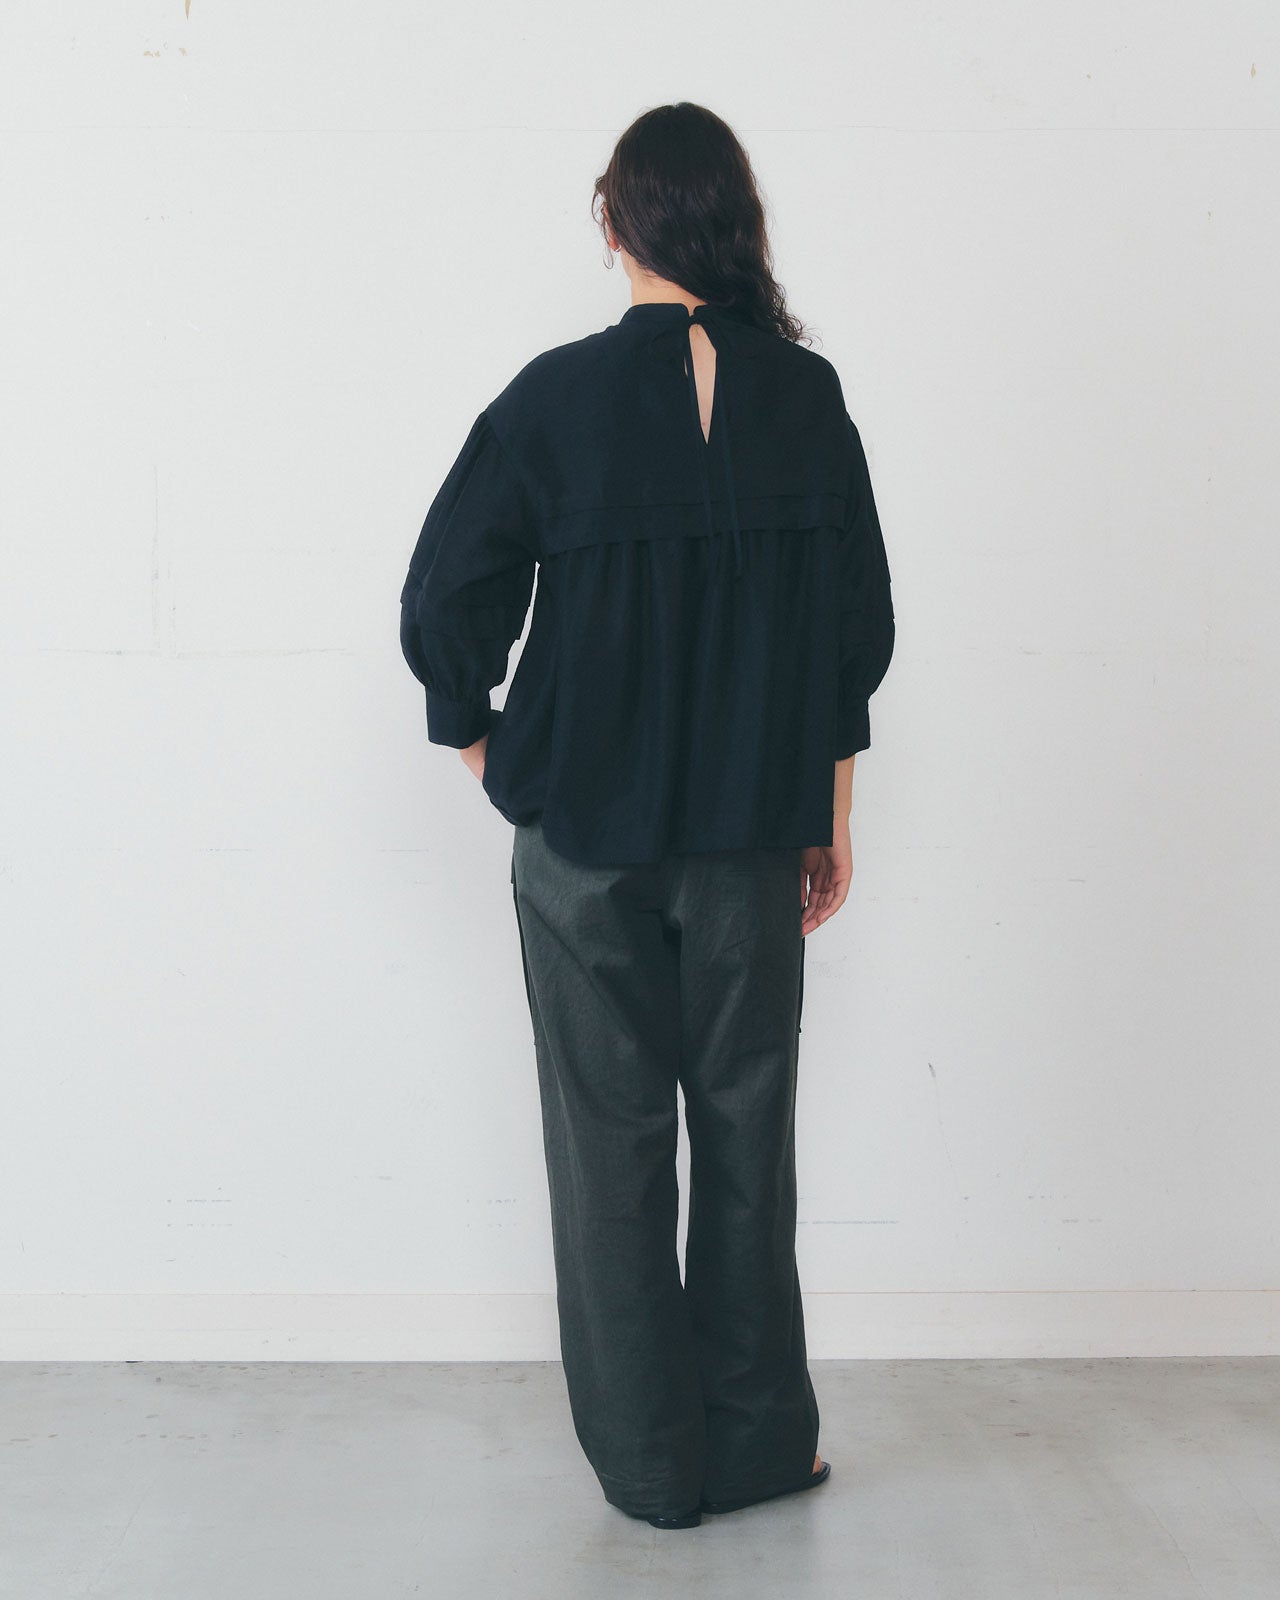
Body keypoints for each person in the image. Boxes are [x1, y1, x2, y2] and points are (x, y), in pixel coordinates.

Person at [399, 102, 895, 1530]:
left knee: (605, 1149)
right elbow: (851, 636)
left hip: (583, 844)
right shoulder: (807, 397)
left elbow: (442, 605)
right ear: (733, 222)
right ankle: (762, 1447)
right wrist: (829, 814)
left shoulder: (552, 401)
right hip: (750, 835)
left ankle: (650, 1470)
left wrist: (492, 755)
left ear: (615, 224)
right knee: (750, 1138)